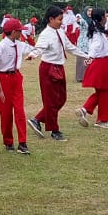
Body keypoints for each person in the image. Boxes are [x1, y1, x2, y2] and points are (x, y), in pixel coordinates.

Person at [29, 8, 70, 141]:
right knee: (51, 101)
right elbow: (39, 48)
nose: (61, 22)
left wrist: (86, 55)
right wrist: (33, 54)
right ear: (51, 19)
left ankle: (37, 119)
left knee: (61, 99)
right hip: (48, 68)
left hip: (59, 67)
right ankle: (54, 130)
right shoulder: (45, 34)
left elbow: (69, 46)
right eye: (59, 19)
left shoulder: (60, 31)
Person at [0, 17, 33, 153]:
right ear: (14, 32)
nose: (21, 33)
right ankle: (8, 141)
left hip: (16, 77)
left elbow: (31, 49)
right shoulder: (2, 45)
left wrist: (39, 50)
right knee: (6, 113)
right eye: (20, 31)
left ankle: (22, 143)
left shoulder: (19, 44)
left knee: (20, 110)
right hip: (3, 78)